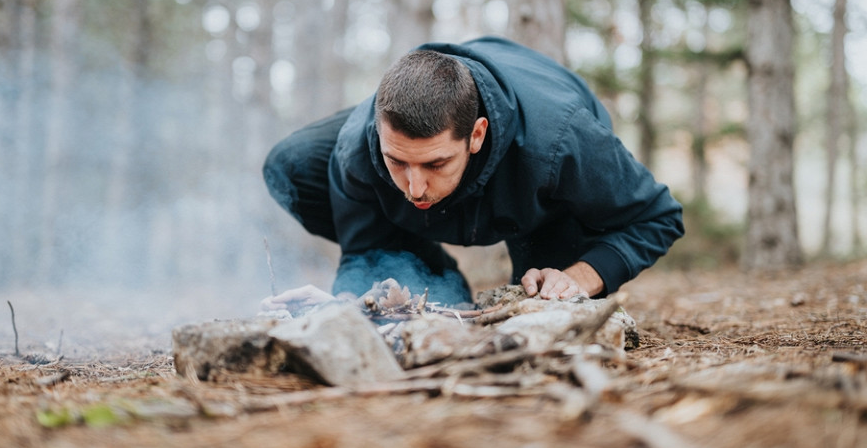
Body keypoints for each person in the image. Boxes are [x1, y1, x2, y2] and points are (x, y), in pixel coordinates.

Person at [261, 36, 683, 310]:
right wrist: (345, 307)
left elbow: (658, 217)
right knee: (293, 165)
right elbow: (362, 255)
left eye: (435, 163)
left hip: (541, 192)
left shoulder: (562, 141)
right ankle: (433, 273)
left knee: (538, 305)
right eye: (397, 162)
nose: (414, 187)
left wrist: (579, 276)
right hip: (419, 127)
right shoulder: (358, 150)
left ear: (476, 135)